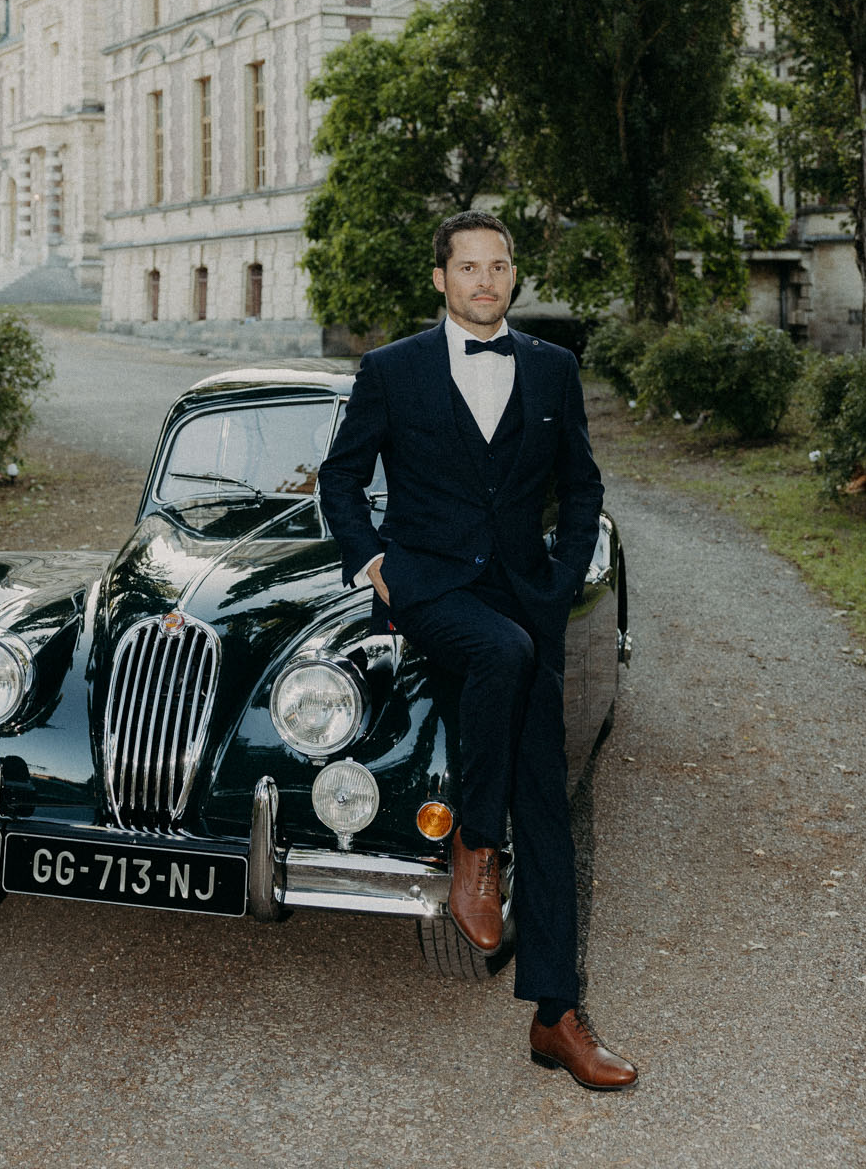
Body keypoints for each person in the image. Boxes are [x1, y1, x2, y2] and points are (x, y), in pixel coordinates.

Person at [318, 210, 637, 1090]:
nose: (486, 281)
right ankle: (473, 849)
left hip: (529, 597)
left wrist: (565, 573)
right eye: (468, 267)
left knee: (549, 800)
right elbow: (341, 477)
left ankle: (555, 1017)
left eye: (498, 266)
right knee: (496, 652)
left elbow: (581, 485)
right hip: (429, 589)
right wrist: (370, 559)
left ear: (510, 277)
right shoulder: (391, 369)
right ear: (441, 279)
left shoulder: (550, 369)